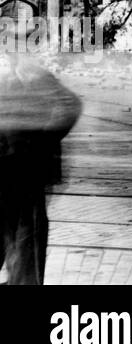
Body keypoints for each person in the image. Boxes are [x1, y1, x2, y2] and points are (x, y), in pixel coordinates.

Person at [0, 20, 82, 285]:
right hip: (9, 166)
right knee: (17, 234)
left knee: (26, 235)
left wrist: (41, 140)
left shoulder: (34, 74)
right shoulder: (8, 75)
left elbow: (70, 105)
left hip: (26, 168)